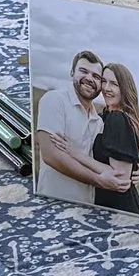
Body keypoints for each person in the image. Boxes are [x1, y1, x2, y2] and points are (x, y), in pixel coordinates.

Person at [34, 47, 118, 208]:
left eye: (95, 76)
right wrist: (98, 181)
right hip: (54, 201)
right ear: (72, 72)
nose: (89, 78)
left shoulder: (99, 122)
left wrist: (136, 169)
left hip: (88, 205)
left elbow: (104, 160)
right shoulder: (54, 100)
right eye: (83, 71)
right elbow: (51, 155)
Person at [86, 59, 139, 214]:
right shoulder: (105, 117)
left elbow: (120, 179)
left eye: (114, 83)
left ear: (125, 88)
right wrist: (137, 168)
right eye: (104, 81)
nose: (107, 88)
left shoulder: (117, 119)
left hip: (119, 209)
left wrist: (70, 155)